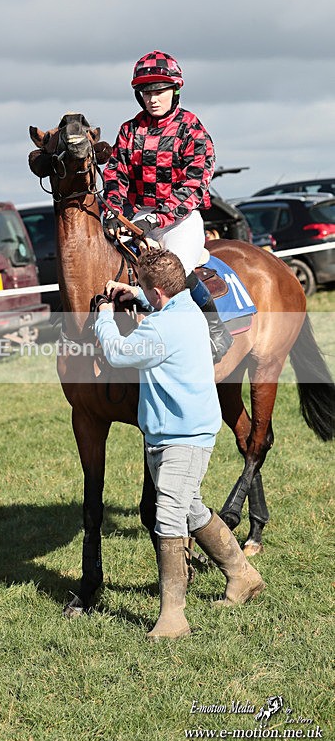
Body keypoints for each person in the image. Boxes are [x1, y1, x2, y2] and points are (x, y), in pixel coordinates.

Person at [94, 248, 265, 640]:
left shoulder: (161, 328)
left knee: (168, 517)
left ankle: (173, 618)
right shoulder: (186, 306)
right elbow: (160, 304)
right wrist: (133, 293)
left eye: (141, 284)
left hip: (181, 438)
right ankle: (242, 575)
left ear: (157, 293)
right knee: (191, 511)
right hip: (177, 433)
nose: (138, 288)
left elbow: (119, 353)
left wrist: (105, 316)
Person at [102, 49, 233, 363]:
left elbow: (194, 185)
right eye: (146, 92)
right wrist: (113, 210)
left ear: (175, 90)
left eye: (159, 91)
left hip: (180, 220)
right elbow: (115, 174)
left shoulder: (192, 129)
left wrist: (156, 221)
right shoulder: (128, 131)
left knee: (175, 275)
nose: (152, 98)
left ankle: (216, 331)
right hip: (135, 218)